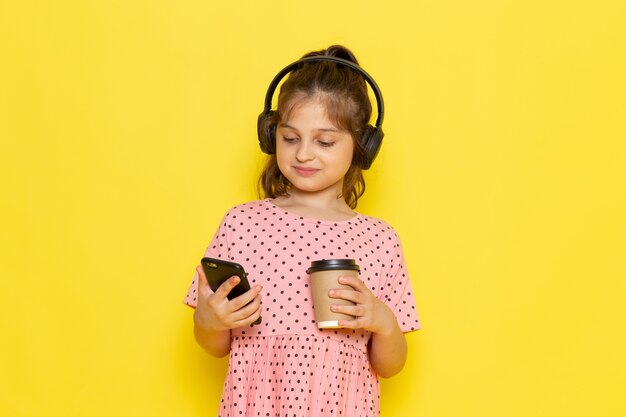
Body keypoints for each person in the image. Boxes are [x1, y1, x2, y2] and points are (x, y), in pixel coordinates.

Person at [184, 45, 421, 417]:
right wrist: (209, 321)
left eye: (325, 142)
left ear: (362, 146)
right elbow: (215, 344)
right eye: (290, 138)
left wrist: (384, 322)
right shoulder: (242, 224)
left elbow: (390, 366)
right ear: (270, 135)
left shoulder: (379, 240)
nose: (304, 154)